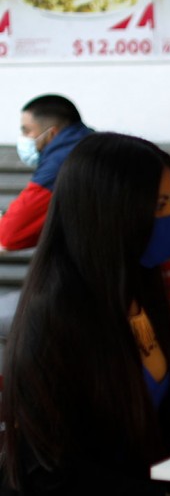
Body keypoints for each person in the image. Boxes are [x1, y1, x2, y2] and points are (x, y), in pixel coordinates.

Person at [0, 133, 170, 495]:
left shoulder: (139, 292)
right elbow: (51, 471)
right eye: (158, 205)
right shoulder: (54, 320)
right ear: (109, 212)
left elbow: (153, 406)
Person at [0, 95, 93, 351]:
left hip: (81, 299)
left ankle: (17, 389)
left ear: (51, 133)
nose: (23, 139)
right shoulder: (90, 146)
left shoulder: (63, 163)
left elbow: (9, 236)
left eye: (27, 131)